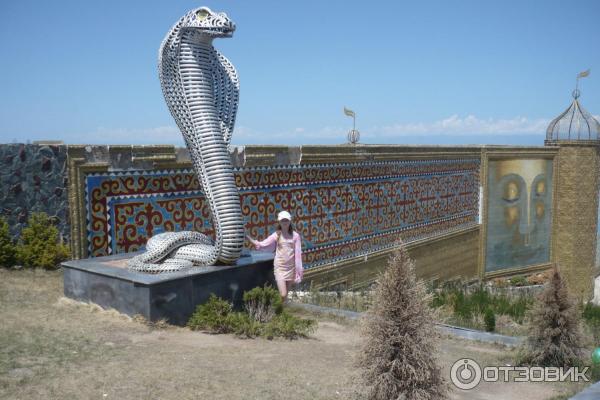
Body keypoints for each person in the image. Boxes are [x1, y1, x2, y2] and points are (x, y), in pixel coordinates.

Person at [247, 211, 303, 302]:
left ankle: (281, 308)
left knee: (285, 295)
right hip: (280, 268)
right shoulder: (277, 235)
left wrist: (298, 270)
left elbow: (298, 254)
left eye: (286, 220)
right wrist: (251, 240)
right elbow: (264, 244)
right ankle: (278, 305)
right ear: (279, 222)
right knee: (283, 293)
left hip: (290, 268)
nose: (285, 222)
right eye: (282, 220)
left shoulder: (295, 236)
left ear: (290, 221)